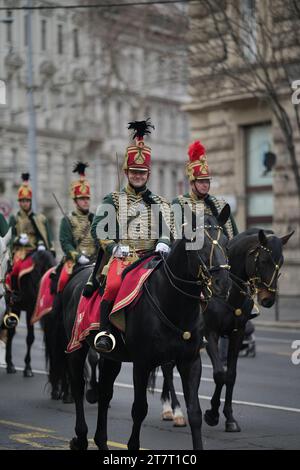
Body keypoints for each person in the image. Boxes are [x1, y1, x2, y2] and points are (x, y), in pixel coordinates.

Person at [91, 119, 172, 353]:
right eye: (134, 172)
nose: (138, 175)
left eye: (142, 172)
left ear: (148, 173)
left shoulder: (159, 202)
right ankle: (107, 332)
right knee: (114, 283)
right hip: (124, 258)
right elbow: (99, 228)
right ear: (126, 172)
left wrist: (164, 243)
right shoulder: (112, 200)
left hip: (151, 258)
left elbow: (166, 229)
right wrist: (113, 247)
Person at [6, 173, 55, 297]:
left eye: (27, 200)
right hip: (20, 252)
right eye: (22, 201)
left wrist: (40, 243)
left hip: (35, 251)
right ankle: (14, 293)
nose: (25, 203)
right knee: (15, 270)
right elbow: (9, 237)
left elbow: (42, 235)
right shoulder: (14, 218)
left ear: (30, 201)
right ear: (19, 202)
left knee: (46, 258)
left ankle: (53, 279)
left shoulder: (38, 218)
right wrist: (17, 239)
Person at [56, 162, 98, 293]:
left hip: (95, 259)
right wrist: (77, 256)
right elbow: (65, 242)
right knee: (61, 282)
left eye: (87, 198)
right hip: (75, 261)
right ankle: (56, 312)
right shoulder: (67, 220)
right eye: (82, 198)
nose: (86, 201)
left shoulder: (95, 219)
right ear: (75, 201)